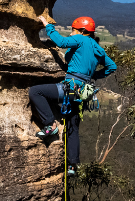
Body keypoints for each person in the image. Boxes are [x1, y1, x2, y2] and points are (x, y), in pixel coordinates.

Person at [28, 15, 116, 176]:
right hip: (83, 92)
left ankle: (50, 125)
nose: (71, 33)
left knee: (36, 92)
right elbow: (112, 66)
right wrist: (94, 75)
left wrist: (48, 26)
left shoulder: (81, 40)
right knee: (72, 128)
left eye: (73, 30)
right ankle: (73, 165)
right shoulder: (97, 47)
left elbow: (61, 42)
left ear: (82, 31)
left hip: (70, 87)